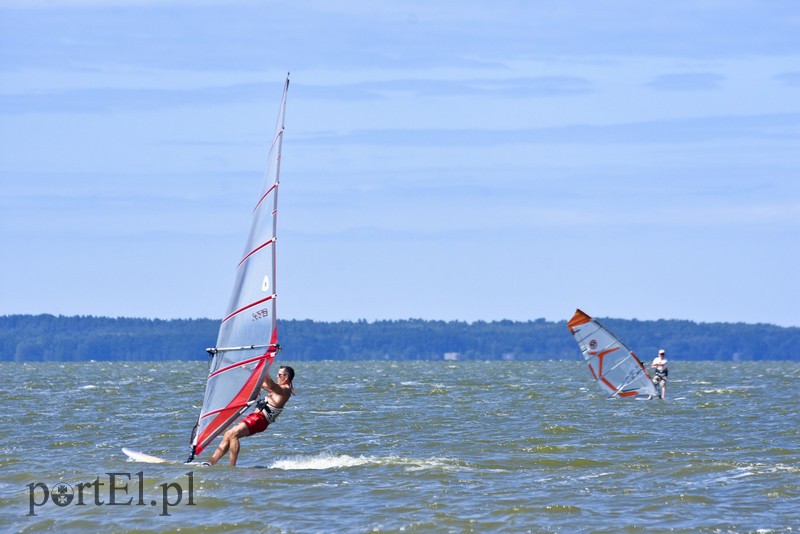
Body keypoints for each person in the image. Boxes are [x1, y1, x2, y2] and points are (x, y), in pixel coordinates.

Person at [208, 365, 295, 466]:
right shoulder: (279, 388)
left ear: (286, 377)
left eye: (279, 375)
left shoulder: (285, 390)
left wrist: (264, 369)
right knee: (228, 434)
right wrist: (249, 368)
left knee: (233, 434)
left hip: (260, 419)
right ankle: (211, 462)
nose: (277, 376)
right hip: (255, 417)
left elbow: (271, 385)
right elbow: (262, 383)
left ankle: (232, 467)